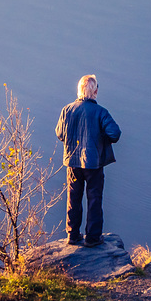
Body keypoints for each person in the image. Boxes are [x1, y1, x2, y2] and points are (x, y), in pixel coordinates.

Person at [55, 74, 121, 246]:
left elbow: (59, 133)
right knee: (94, 199)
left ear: (79, 90)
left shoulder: (67, 110)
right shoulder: (101, 112)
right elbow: (115, 134)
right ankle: (92, 238)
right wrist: (99, 139)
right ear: (95, 91)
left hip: (72, 162)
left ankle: (73, 234)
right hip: (93, 164)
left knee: (73, 198)